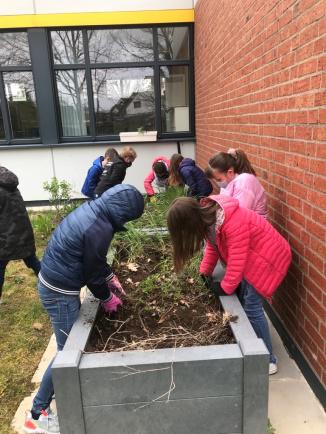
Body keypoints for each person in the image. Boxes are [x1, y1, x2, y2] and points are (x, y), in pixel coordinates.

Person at [24, 184, 144, 434]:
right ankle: (37, 414)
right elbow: (91, 273)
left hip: (55, 281)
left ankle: (48, 399)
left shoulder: (93, 211)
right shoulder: (100, 227)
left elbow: (92, 258)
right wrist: (106, 296)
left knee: (66, 349)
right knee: (66, 353)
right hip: (59, 293)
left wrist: (109, 275)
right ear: (122, 214)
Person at [167, 195, 291, 376]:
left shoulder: (232, 223)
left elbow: (237, 262)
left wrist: (225, 288)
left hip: (268, 257)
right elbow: (213, 247)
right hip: (254, 256)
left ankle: (268, 359)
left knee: (252, 307)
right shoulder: (209, 221)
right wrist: (205, 272)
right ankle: (255, 343)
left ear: (189, 223)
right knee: (245, 300)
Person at [0, 166, 40, 303]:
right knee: (33, 262)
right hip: (23, 235)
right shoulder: (11, 186)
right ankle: (52, 285)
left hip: (5, 239)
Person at [207, 148, 268, 218]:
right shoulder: (229, 182)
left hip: (254, 225)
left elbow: (241, 214)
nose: (218, 183)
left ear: (230, 172)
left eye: (219, 179)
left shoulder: (244, 181)